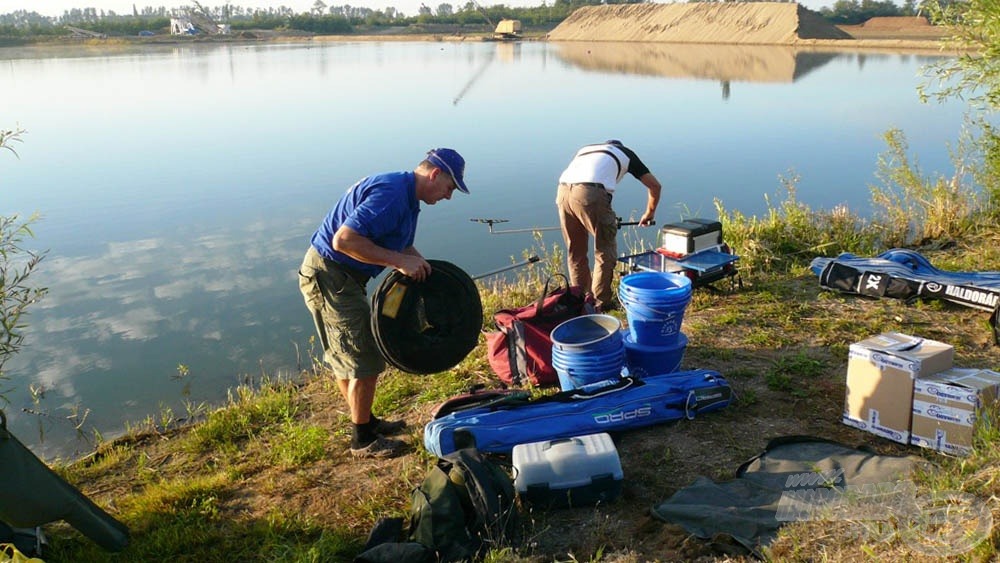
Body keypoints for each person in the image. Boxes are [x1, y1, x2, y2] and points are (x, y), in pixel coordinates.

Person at [298, 148, 470, 458]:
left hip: (342, 278)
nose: (448, 196)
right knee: (364, 358)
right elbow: (344, 240)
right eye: (450, 187)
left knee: (349, 355)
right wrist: (398, 262)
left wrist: (420, 265)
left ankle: (365, 420)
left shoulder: (406, 194)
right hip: (330, 277)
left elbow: (398, 240)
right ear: (434, 175)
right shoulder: (392, 193)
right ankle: (362, 440)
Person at [556, 140, 662, 312]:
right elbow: (655, 186)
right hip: (590, 192)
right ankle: (601, 303)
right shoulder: (626, 153)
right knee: (605, 250)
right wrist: (649, 213)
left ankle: (581, 301)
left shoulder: (586, 149)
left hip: (562, 192)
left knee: (575, 252)